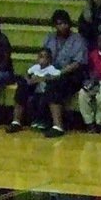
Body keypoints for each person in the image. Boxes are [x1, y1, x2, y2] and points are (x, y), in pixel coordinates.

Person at [12, 9, 88, 137]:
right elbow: (43, 57)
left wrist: (56, 74)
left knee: (55, 86)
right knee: (24, 84)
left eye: (64, 23)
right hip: (48, 71)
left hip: (70, 74)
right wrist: (38, 74)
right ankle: (16, 121)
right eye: (59, 24)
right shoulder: (49, 38)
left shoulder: (78, 39)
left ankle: (58, 125)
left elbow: (77, 64)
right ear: (54, 25)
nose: (62, 26)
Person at [5, 46, 60, 133]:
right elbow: (27, 73)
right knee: (22, 88)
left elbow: (57, 76)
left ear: (49, 59)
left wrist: (42, 79)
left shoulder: (51, 69)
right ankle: (16, 122)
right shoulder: (35, 67)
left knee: (42, 101)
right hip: (34, 89)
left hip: (45, 91)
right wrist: (28, 80)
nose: (42, 59)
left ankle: (43, 121)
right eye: (40, 56)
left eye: (45, 57)